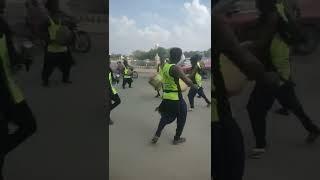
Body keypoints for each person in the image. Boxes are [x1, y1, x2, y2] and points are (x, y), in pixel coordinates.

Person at [212, 0, 282, 179]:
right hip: (218, 117)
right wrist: (267, 77)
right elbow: (246, 61)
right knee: (231, 169)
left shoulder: (272, 16)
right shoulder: (215, 22)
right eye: (229, 15)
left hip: (215, 111)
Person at [247, 0, 320, 159]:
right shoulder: (278, 7)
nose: (255, 4)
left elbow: (260, 43)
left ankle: (260, 145)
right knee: (290, 102)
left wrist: (236, 47)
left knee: (254, 108)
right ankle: (313, 129)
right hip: (280, 66)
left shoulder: (271, 16)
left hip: (274, 71)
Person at [0, 1, 37, 179]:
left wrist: (22, 56)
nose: (3, 5)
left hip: (11, 92)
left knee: (29, 125)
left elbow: (9, 57)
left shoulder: (3, 25)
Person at [151, 47, 196, 145]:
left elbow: (164, 79)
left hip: (166, 96)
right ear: (180, 56)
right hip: (176, 98)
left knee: (166, 117)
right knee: (179, 117)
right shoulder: (176, 68)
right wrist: (193, 85)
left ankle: (157, 134)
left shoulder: (165, 66)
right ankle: (176, 139)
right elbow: (187, 81)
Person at [41, 0, 74, 87]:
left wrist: (68, 36)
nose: (57, 8)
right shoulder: (47, 21)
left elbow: (67, 28)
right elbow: (42, 33)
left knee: (67, 65)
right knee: (48, 68)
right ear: (50, 9)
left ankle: (65, 79)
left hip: (63, 48)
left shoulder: (60, 19)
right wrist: (50, 41)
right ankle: (45, 81)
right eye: (55, 6)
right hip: (51, 50)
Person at [107, 56, 121, 125]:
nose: (109, 61)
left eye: (109, 60)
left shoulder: (109, 69)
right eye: (108, 60)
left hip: (111, 89)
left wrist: (116, 79)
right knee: (109, 103)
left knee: (118, 101)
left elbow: (112, 80)